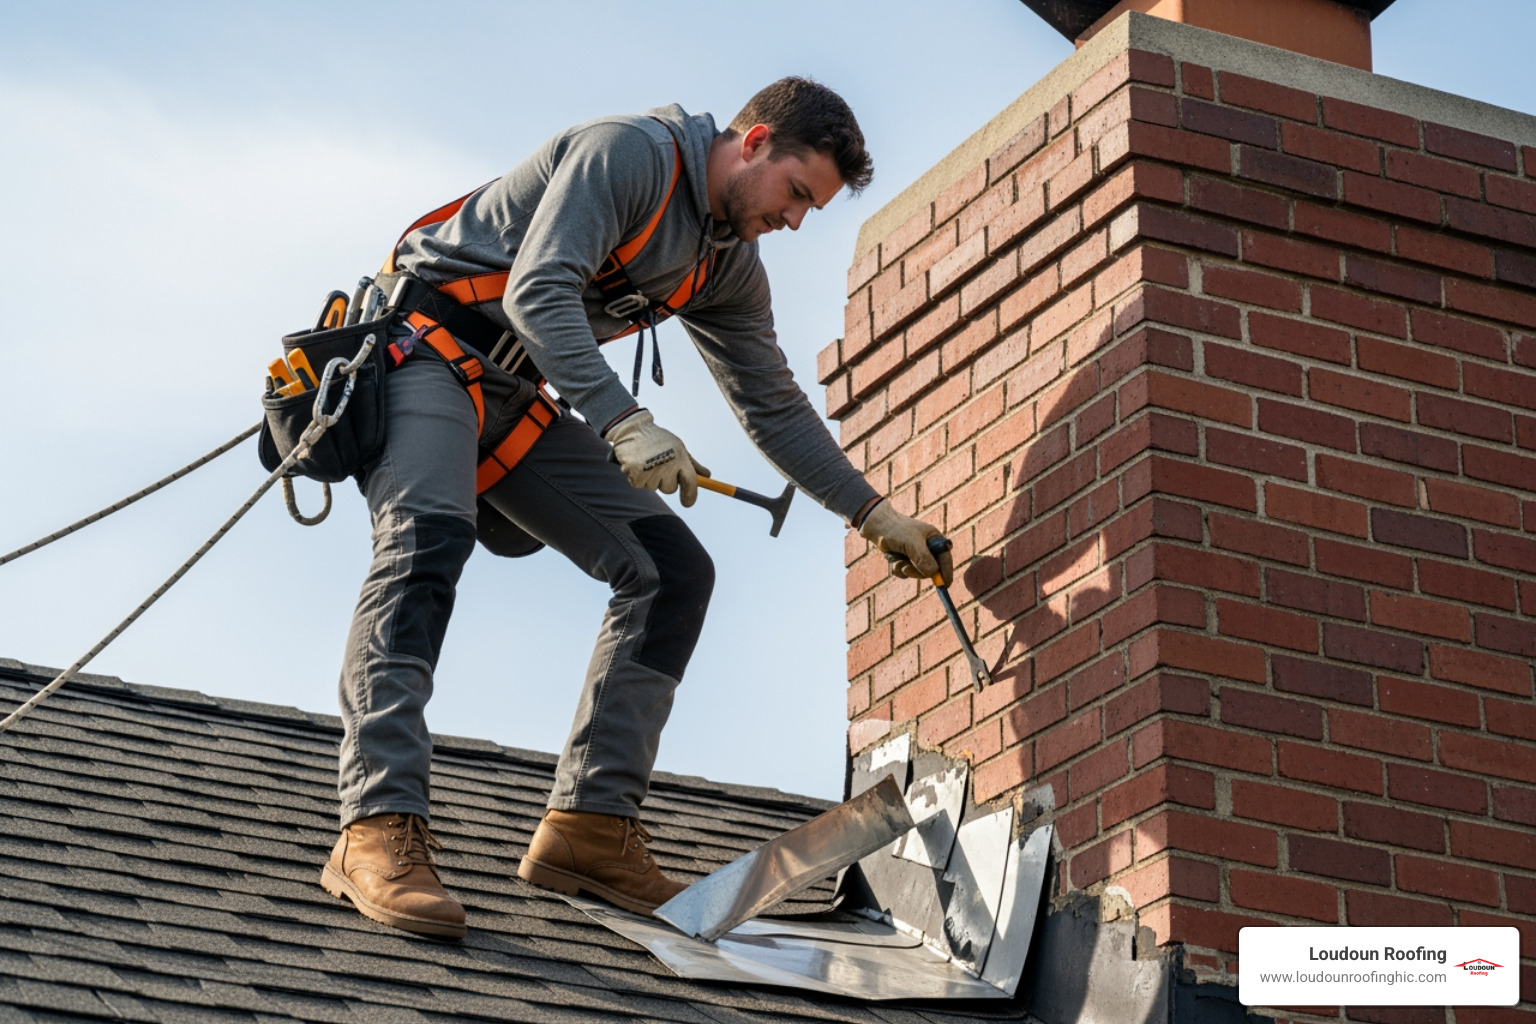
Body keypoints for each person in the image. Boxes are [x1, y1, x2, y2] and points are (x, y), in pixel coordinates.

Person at [318, 77, 952, 939]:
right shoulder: (630, 155)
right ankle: (373, 827)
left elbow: (771, 404)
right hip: (422, 348)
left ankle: (589, 827)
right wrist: (626, 423)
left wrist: (873, 513)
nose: (796, 220)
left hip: (510, 391)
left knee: (671, 572)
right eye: (798, 193)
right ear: (755, 141)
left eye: (814, 211)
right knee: (427, 544)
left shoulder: (725, 262)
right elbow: (540, 290)